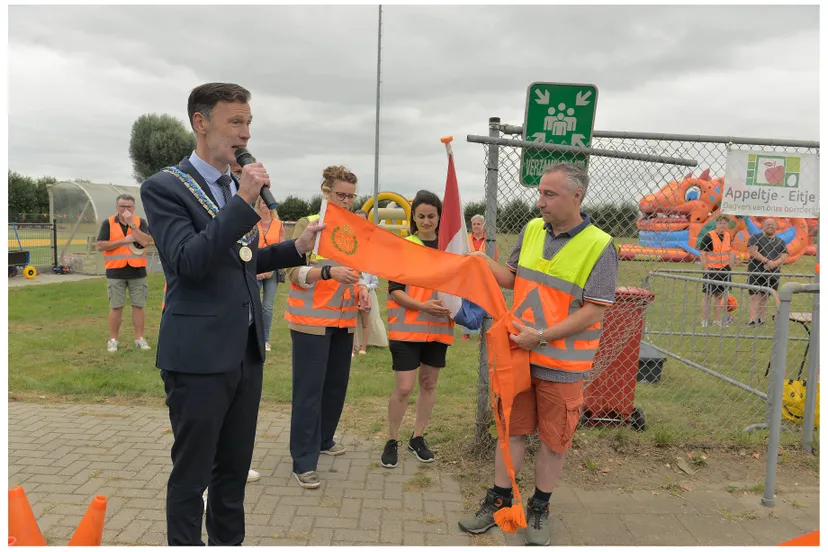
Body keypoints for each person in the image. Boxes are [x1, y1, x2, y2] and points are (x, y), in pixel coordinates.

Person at [139, 82, 324, 546]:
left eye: (248, 123)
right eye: (234, 123)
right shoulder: (165, 187)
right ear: (201, 123)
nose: (244, 135)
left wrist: (295, 249)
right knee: (192, 477)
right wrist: (244, 202)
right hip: (198, 358)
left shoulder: (227, 187)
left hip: (243, 354)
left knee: (233, 473)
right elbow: (188, 262)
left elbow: (243, 261)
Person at [458, 163, 618, 546]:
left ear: (576, 197)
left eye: (550, 194)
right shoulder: (531, 229)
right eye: (540, 193)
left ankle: (540, 507)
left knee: (553, 440)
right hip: (520, 354)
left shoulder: (600, 245)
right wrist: (481, 264)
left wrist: (542, 336)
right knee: (512, 431)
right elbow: (514, 277)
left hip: (562, 364)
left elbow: (594, 309)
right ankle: (498, 501)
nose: (540, 201)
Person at [283, 166, 370, 489]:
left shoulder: (354, 228)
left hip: (343, 321)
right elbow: (292, 272)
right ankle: (303, 462)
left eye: (350, 196)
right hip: (310, 322)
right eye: (340, 195)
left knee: (335, 387)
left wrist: (360, 289)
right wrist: (328, 273)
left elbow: (356, 272)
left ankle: (323, 438)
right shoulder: (309, 225)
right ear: (326, 192)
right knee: (308, 393)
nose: (346, 201)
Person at [380, 190, 453, 469]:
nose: (426, 221)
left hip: (438, 328)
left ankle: (417, 437)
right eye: (420, 216)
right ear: (414, 217)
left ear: (439, 217)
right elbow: (395, 291)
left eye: (431, 216)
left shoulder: (449, 247)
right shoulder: (403, 246)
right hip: (406, 329)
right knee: (404, 387)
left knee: (429, 384)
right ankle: (392, 439)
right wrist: (423, 306)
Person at [96, 194, 153, 352]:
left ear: (134, 208)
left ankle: (139, 338)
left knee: (138, 306)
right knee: (116, 306)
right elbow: (100, 246)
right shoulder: (108, 223)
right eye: (122, 206)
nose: (125, 209)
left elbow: (146, 242)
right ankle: (113, 339)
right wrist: (123, 241)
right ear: (117, 208)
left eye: (129, 207)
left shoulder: (140, 222)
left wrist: (132, 225)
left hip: (137, 271)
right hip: (115, 271)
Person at [353, 209, 388, 355]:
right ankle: (354, 344)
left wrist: (366, 287)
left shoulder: (371, 239)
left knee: (370, 318)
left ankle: (368, 344)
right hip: (354, 286)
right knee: (353, 319)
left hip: (367, 286)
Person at [255, 196, 286, 352]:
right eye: (262, 202)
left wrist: (270, 270)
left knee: (267, 307)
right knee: (252, 305)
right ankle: (252, 337)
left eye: (267, 203)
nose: (265, 205)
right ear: (258, 205)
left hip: (272, 270)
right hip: (255, 269)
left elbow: (281, 249)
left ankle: (265, 339)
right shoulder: (252, 223)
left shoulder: (279, 225)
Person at [747, 218, 788, 326]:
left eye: (773, 224)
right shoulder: (755, 238)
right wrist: (766, 261)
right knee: (754, 296)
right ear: (763, 226)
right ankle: (752, 320)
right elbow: (753, 251)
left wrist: (774, 263)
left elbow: (784, 254)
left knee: (765, 296)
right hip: (756, 271)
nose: (770, 226)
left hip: (773, 274)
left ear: (776, 227)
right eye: (768, 224)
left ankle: (760, 319)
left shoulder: (780, 241)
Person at [463, 214, 498, 340]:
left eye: (479, 224)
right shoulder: (465, 239)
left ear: (483, 225)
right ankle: (466, 332)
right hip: (469, 275)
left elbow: (494, 258)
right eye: (474, 224)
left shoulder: (490, 241)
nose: (476, 226)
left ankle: (481, 332)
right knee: (467, 302)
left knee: (482, 302)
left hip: (484, 275)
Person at [699, 215, 735, 327]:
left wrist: (731, 267)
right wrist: (706, 270)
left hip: (724, 270)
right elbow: (703, 254)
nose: (722, 225)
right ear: (716, 223)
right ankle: (704, 320)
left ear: (727, 225)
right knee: (707, 295)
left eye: (725, 223)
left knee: (719, 296)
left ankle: (717, 320)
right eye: (720, 223)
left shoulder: (728, 236)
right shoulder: (708, 237)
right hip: (712, 270)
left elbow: (729, 252)